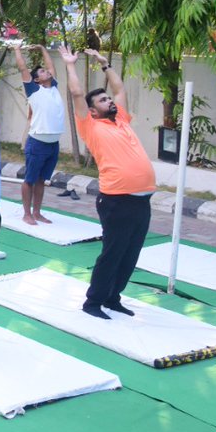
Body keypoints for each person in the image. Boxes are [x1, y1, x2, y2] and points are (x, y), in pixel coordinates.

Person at [62, 46, 154, 319]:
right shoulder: (90, 125)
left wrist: (104, 64)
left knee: (131, 253)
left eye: (107, 98)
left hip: (141, 199)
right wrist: (70, 64)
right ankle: (93, 302)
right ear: (92, 111)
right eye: (102, 101)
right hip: (116, 199)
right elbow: (77, 94)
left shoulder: (121, 120)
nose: (109, 101)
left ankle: (113, 297)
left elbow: (120, 89)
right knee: (113, 253)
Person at [11, 43, 66, 224]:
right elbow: (22, 68)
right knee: (30, 179)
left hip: (53, 143)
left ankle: (37, 212)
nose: (46, 72)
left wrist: (43, 49)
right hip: (37, 143)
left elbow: (52, 67)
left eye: (45, 71)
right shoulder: (34, 90)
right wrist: (18, 50)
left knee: (42, 180)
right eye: (41, 72)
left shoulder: (54, 87)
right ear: (36, 80)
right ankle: (26, 213)